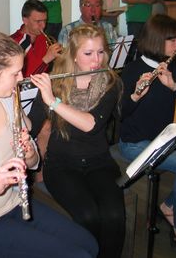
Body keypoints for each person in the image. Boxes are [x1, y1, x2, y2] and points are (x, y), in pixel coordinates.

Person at [0, 32, 98, 258]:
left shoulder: (5, 100)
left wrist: (30, 153)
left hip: (12, 204)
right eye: (15, 73)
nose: (21, 78)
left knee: (89, 244)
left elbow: (32, 163)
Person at [29, 25, 125, 258]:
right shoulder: (55, 83)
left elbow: (91, 125)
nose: (97, 60)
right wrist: (12, 104)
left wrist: (53, 102)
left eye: (101, 52)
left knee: (114, 215)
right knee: (87, 216)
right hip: (61, 165)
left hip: (98, 162)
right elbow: (31, 124)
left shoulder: (110, 83)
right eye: (89, 54)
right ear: (73, 55)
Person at [119, 14, 176, 258]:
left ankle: (168, 206)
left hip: (164, 139)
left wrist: (174, 86)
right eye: (172, 39)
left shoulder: (174, 68)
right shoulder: (132, 70)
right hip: (134, 143)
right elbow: (119, 114)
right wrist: (136, 94)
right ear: (158, 41)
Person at [10, 0, 62, 77]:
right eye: (38, 21)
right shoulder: (12, 43)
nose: (43, 25)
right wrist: (46, 59)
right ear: (25, 20)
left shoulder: (45, 39)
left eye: (45, 20)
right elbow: (22, 80)